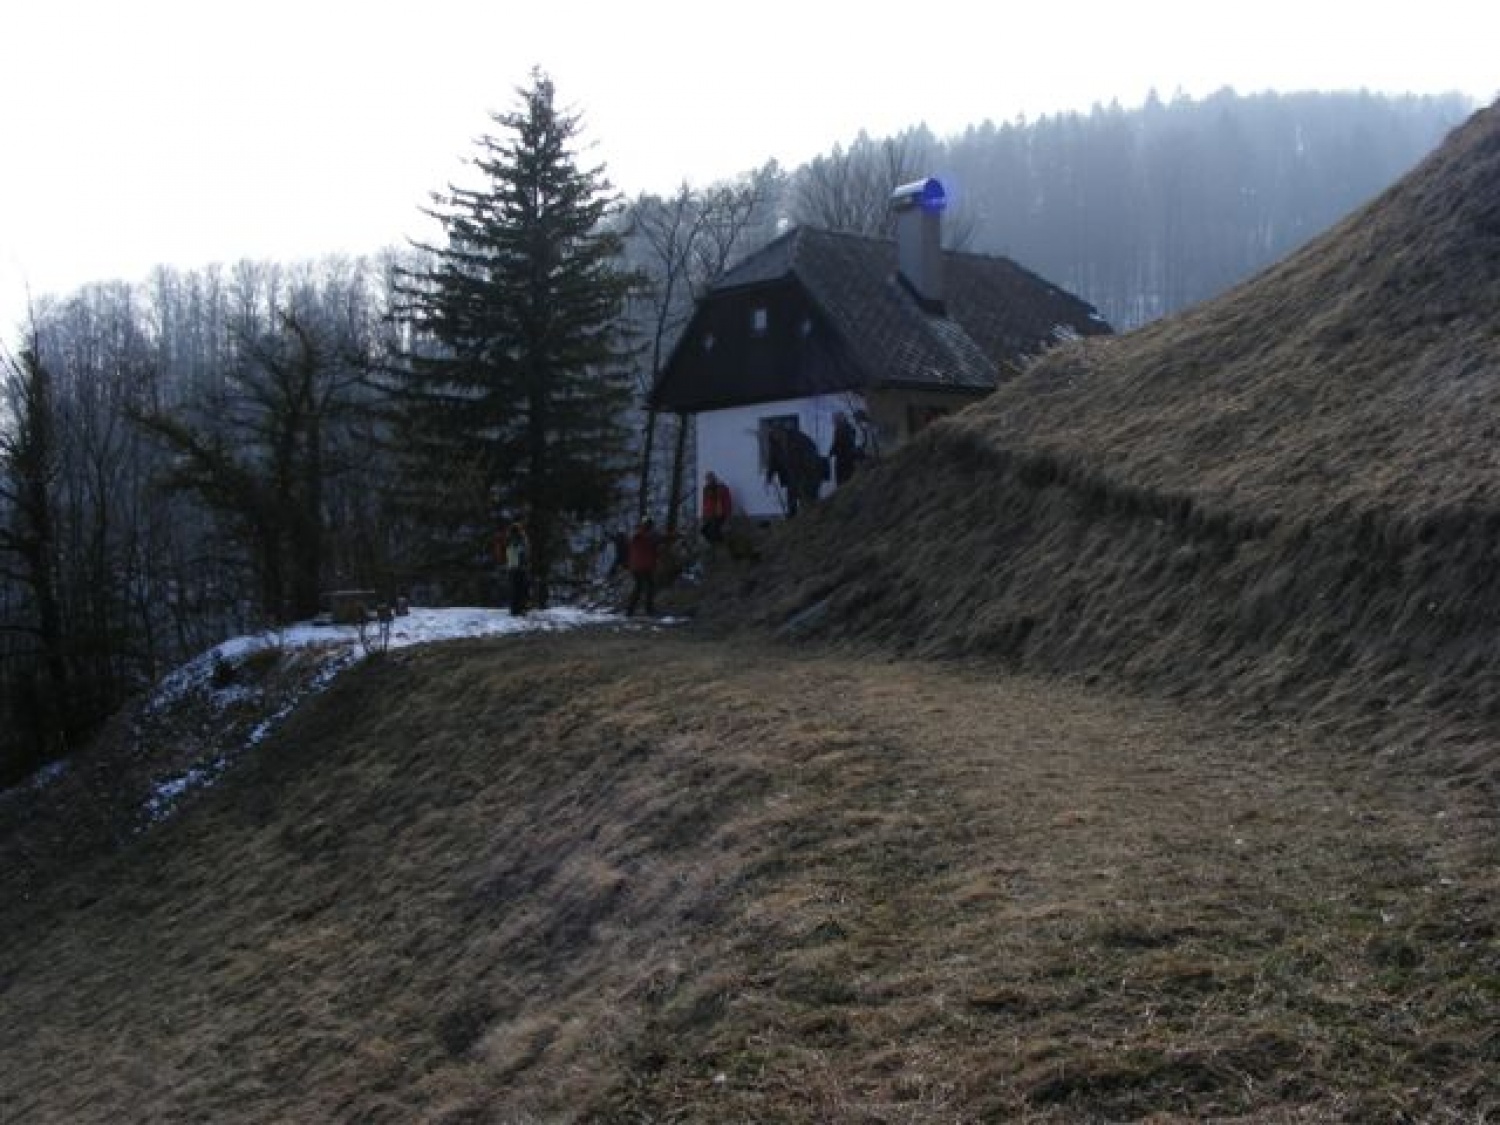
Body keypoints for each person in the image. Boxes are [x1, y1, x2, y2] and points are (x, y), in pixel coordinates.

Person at [625, 518, 663, 616]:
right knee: (647, 587)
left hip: (635, 566)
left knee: (641, 587)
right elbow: (660, 539)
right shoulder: (649, 536)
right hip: (644, 566)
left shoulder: (636, 535)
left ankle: (631, 611)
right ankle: (647, 610)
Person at [501, 520, 529, 616]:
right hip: (520, 567)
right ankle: (521, 609)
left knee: (515, 589)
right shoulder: (521, 540)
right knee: (521, 589)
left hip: (513, 567)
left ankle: (515, 609)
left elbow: (508, 552)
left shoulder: (510, 540)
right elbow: (524, 553)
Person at [700, 471, 733, 547]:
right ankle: (718, 544)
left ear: (714, 478)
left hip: (720, 513)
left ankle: (719, 545)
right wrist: (704, 514)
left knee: (715, 530)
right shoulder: (706, 489)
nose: (709, 481)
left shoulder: (722, 488)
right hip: (710, 514)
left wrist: (728, 515)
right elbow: (705, 502)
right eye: (707, 479)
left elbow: (727, 502)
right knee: (703, 530)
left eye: (710, 478)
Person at [829, 412, 863, 486]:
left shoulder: (840, 429)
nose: (834, 421)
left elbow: (837, 444)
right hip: (849, 459)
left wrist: (831, 453)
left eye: (835, 419)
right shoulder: (849, 428)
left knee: (842, 482)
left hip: (843, 460)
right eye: (834, 419)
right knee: (849, 481)